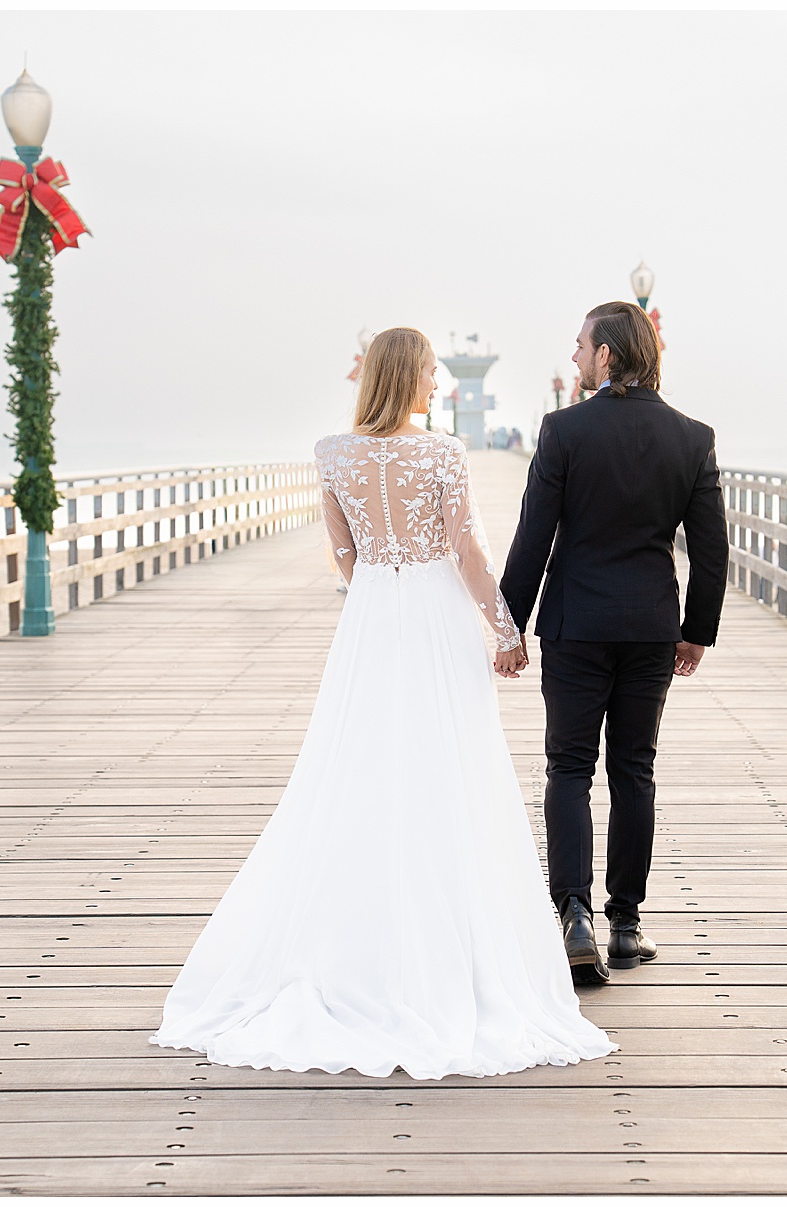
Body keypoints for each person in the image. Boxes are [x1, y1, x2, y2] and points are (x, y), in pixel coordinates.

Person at [149, 326, 615, 1079]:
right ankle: (445, 953)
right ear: (409, 377)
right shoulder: (442, 454)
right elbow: (465, 552)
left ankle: (354, 945)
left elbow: (343, 552)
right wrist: (505, 629)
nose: (442, 384)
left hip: (372, 616)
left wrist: (376, 580)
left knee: (359, 766)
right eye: (433, 372)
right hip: (434, 613)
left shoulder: (333, 453)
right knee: (447, 770)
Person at [498, 301, 728, 985]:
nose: (573, 357)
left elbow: (533, 535)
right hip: (651, 626)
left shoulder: (564, 431)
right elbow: (712, 553)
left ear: (606, 354)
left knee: (569, 768)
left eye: (579, 346)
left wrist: (510, 625)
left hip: (575, 624)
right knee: (635, 769)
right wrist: (696, 631)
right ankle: (626, 923)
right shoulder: (693, 437)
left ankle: (573, 915)